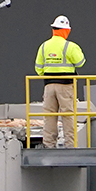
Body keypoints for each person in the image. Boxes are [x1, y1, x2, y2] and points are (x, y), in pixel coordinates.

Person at [34, 15, 85, 147]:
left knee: (49, 117)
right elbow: (80, 62)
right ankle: (70, 145)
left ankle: (49, 145)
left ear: (54, 29)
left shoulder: (44, 46)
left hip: (49, 86)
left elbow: (38, 68)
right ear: (66, 30)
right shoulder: (70, 46)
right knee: (68, 116)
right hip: (65, 85)